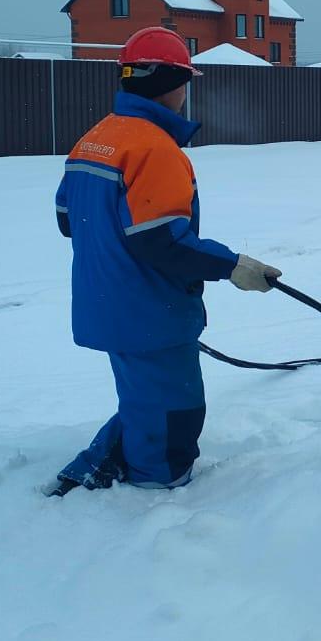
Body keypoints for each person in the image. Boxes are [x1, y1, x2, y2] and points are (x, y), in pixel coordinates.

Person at [43, 26, 280, 496]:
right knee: (174, 413)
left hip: (107, 302)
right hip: (151, 310)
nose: (185, 94)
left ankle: (95, 467)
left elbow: (68, 219)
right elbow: (160, 242)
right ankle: (152, 494)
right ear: (168, 83)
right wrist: (233, 265)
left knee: (142, 399)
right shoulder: (154, 148)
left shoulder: (96, 139)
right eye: (184, 82)